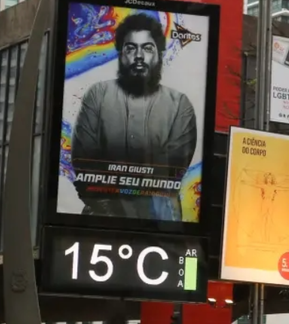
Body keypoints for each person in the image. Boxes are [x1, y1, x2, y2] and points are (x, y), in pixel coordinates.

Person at [71, 12, 198, 221]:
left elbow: (170, 172)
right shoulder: (98, 95)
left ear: (160, 54)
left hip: (160, 225)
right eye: (131, 48)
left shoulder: (179, 105)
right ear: (120, 54)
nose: (139, 56)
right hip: (100, 222)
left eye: (147, 48)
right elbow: (84, 163)